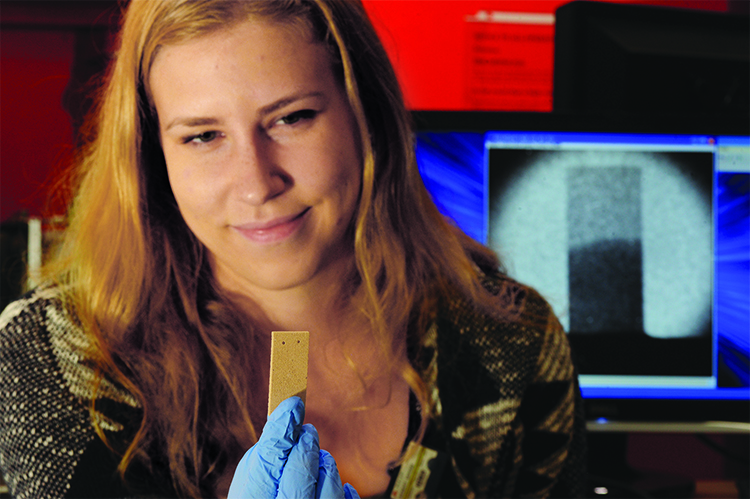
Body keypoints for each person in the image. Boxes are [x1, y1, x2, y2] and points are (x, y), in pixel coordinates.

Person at [0, 0, 586, 497]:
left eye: (291, 118)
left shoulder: (512, 341)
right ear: (153, 156)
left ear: (366, 115)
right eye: (203, 136)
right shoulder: (52, 359)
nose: (257, 183)